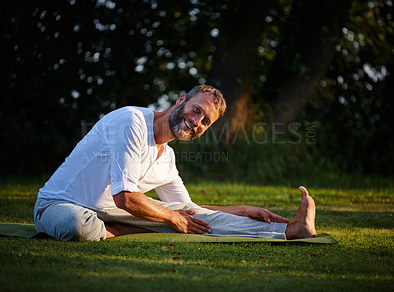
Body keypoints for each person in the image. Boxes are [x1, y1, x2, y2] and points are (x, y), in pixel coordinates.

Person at [34, 84, 317, 241]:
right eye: (196, 110)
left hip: (109, 213)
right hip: (59, 206)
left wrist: (242, 210)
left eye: (205, 122)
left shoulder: (166, 159)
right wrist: (169, 217)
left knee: (189, 219)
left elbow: (189, 210)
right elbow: (125, 198)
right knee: (76, 225)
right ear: (181, 100)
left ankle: (290, 231)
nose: (196, 122)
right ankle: (123, 230)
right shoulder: (132, 122)